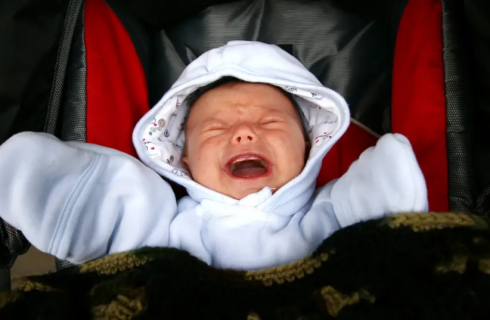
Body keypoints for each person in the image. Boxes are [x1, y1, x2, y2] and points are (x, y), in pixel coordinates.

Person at [0, 41, 428, 270]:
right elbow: (106, 203)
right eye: (216, 128)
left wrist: (390, 172)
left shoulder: (333, 212)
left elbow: (386, 218)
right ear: (181, 159)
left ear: (309, 144)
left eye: (271, 123)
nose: (243, 132)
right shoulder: (163, 225)